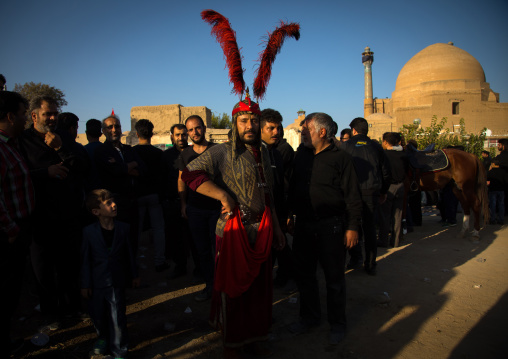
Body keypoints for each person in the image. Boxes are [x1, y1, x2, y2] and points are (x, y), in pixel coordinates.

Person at [182, 94, 285, 357]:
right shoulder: (222, 151)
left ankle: (255, 336)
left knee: (259, 291)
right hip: (233, 231)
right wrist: (223, 195)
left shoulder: (263, 150)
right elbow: (191, 173)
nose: (249, 126)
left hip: (262, 230)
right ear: (234, 123)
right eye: (243, 121)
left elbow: (268, 192)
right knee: (235, 291)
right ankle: (234, 343)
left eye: (253, 120)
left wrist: (277, 227)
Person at [287, 112, 362, 345]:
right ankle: (309, 317)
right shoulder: (301, 157)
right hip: (304, 227)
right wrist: (290, 215)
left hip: (332, 227)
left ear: (322, 132)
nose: (302, 134)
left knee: (334, 279)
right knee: (305, 275)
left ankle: (337, 324)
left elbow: (352, 196)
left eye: (306, 130)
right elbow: (293, 188)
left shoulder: (341, 158)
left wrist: (352, 228)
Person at [18, 96, 89, 326]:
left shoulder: (64, 138)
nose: (52, 118)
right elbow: (18, 175)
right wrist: (44, 173)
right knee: (43, 269)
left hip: (68, 214)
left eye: (55, 114)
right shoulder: (22, 141)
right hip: (39, 217)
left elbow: (81, 167)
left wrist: (60, 148)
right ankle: (50, 312)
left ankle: (72, 308)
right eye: (48, 114)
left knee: (69, 264)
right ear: (34, 116)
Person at [81, 189, 140, 358]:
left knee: (117, 316)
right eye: (108, 203)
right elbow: (85, 260)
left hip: (116, 281)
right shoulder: (89, 232)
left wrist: (134, 275)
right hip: (97, 282)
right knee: (98, 315)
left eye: (113, 201)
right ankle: (103, 338)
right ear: (96, 211)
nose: (114, 205)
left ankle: (119, 348)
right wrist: (85, 284)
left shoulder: (123, 229)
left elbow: (129, 254)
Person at [0, 91, 35, 357]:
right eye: (24, 114)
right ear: (10, 116)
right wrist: (11, 230)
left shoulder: (11, 145)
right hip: (7, 235)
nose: (26, 119)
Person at [178, 115, 220, 301]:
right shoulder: (185, 154)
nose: (194, 132)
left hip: (217, 209)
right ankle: (210, 285)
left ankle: (222, 286)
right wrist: (183, 204)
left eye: (197, 128)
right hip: (195, 209)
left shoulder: (218, 150)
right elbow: (181, 180)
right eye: (190, 129)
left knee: (219, 250)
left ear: (204, 128)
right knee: (202, 251)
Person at [342, 117, 390, 275]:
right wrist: (383, 191)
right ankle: (370, 264)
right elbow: (385, 172)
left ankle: (355, 259)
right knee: (370, 229)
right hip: (371, 193)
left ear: (354, 131)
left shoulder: (346, 146)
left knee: (352, 226)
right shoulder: (376, 147)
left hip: (351, 194)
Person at [94, 114, 144, 254]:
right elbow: (114, 172)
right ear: (103, 131)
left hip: (132, 201)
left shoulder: (128, 149)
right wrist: (130, 166)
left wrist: (124, 166)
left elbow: (142, 169)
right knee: (117, 242)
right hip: (114, 203)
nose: (114, 130)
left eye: (117, 126)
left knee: (133, 238)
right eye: (110, 127)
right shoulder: (101, 151)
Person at [260, 109, 293, 287]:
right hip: (262, 216)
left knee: (280, 248)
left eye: (278, 128)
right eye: (271, 128)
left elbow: (280, 186)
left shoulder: (277, 153)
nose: (276, 132)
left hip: (277, 212)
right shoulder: (254, 154)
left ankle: (282, 279)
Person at [133, 119, 168, 272]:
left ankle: (135, 262)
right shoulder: (158, 154)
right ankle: (159, 261)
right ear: (152, 134)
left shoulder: (132, 152)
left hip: (138, 195)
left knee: (137, 230)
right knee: (158, 229)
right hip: (154, 195)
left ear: (136, 133)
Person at [160, 124, 193, 280]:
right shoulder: (166, 156)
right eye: (178, 135)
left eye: (184, 134)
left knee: (194, 237)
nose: (181, 138)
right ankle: (180, 266)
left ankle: (200, 268)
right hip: (172, 203)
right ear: (172, 136)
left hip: (192, 202)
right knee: (176, 237)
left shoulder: (194, 153)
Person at [378, 132, 409, 248]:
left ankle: (383, 240)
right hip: (401, 186)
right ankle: (395, 241)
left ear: (385, 142)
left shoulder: (384, 155)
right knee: (398, 215)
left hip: (388, 187)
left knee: (385, 215)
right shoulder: (403, 155)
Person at [84, 119, 104, 191]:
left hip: (90, 192)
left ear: (87, 133)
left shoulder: (83, 151)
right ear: (101, 134)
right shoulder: (108, 150)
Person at [487, 159, 505, 225]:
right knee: (501, 205)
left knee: (492, 205)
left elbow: (487, 180)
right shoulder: (503, 172)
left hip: (492, 190)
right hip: (501, 190)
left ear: (493, 164)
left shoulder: (490, 172)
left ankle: (493, 219)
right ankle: (501, 219)